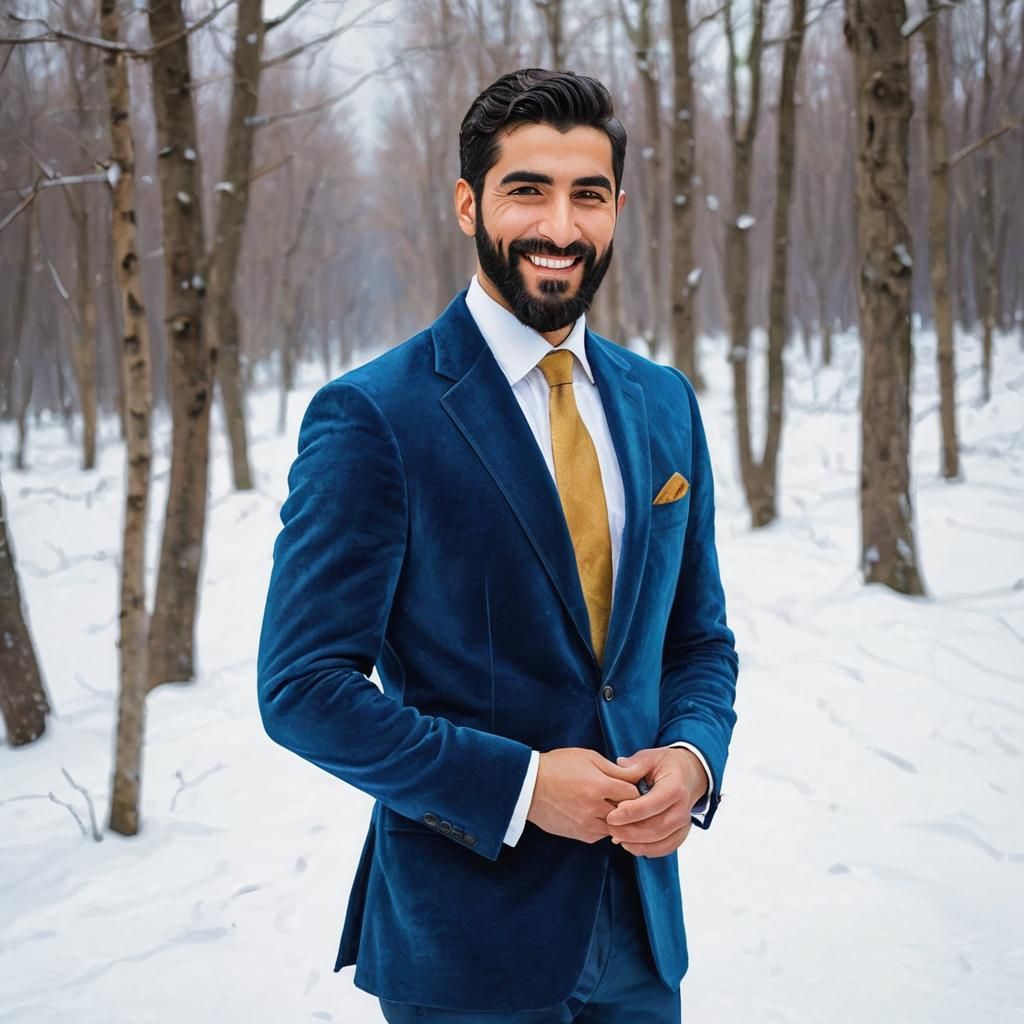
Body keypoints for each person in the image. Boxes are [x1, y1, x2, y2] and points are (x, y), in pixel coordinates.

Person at [257, 68, 738, 1023]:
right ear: (469, 203)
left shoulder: (662, 403)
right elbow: (303, 689)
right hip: (468, 949)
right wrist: (520, 786)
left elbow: (697, 642)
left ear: (616, 209)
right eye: (529, 189)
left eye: (587, 194)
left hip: (643, 936)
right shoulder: (374, 417)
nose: (560, 226)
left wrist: (692, 758)